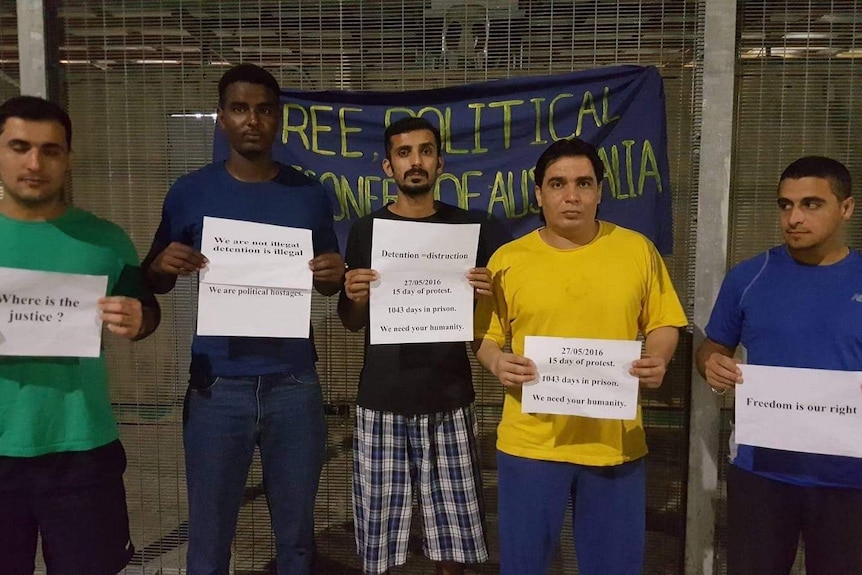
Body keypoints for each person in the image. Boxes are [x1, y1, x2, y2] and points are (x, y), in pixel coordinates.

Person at [142, 64, 344, 575]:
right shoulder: (189, 192)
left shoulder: (310, 194)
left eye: (263, 109)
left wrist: (334, 273)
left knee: (297, 538)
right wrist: (161, 266)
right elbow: (155, 279)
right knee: (209, 537)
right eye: (239, 108)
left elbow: (326, 279)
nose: (252, 120)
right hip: (217, 388)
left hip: (293, 385)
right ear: (222, 119)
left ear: (278, 119)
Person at [473, 137, 687, 575]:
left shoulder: (636, 250)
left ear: (600, 190)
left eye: (583, 183)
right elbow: (484, 335)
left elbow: (664, 321)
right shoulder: (507, 260)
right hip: (531, 443)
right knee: (523, 566)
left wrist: (659, 357)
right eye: (557, 184)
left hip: (615, 444)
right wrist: (496, 361)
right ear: (538, 194)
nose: (571, 195)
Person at [0, 96, 160, 574]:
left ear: (68, 157)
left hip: (82, 453)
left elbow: (146, 313)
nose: (35, 163)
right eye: (20, 146)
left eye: (51, 150)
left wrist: (140, 320)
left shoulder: (107, 242)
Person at [339, 116, 498, 575]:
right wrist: (353, 297)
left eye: (425, 151)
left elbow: (493, 316)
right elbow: (351, 323)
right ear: (388, 167)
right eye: (404, 153)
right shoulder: (366, 231)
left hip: (450, 396)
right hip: (382, 399)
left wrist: (490, 289)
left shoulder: (472, 229)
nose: (416, 162)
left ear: (440, 163)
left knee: (454, 536)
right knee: (379, 534)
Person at [696, 156, 862, 575]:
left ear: (846, 208)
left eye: (811, 204)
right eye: (785, 205)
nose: (794, 218)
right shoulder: (749, 277)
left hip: (849, 478)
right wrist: (712, 365)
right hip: (761, 474)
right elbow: (712, 347)